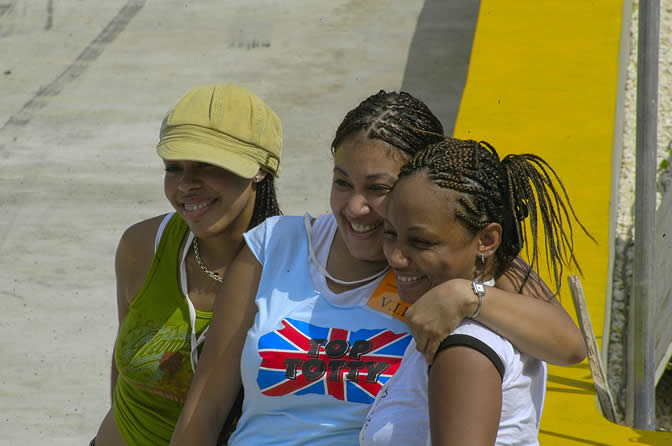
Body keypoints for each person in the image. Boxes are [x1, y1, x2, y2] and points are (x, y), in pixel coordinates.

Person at [170, 91, 587, 446]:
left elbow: (570, 345)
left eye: (379, 188)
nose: (354, 207)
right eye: (342, 182)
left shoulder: (446, 266)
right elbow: (205, 407)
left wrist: (465, 296)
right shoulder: (276, 245)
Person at [360, 137, 592, 445]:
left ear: (487, 240)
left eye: (421, 242)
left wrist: (465, 294)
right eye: (391, 233)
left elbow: (573, 346)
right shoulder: (500, 309)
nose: (396, 257)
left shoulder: (464, 350)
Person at [92, 83, 283, 446]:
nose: (185, 186)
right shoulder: (142, 247)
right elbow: (123, 372)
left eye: (207, 165)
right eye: (173, 168)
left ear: (259, 169)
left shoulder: (296, 267)